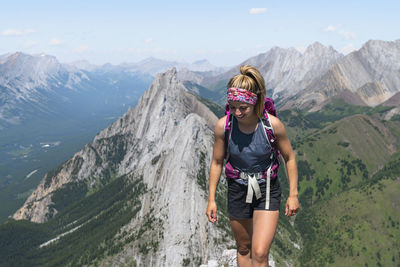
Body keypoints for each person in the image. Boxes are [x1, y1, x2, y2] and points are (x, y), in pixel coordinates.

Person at [206, 65, 299, 267]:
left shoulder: (272, 126)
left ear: (255, 103)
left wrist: (293, 195)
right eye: (232, 106)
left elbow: (289, 157)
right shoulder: (224, 126)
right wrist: (211, 199)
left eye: (243, 108)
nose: (237, 112)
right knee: (244, 248)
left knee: (259, 252)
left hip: (267, 189)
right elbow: (217, 162)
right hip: (237, 189)